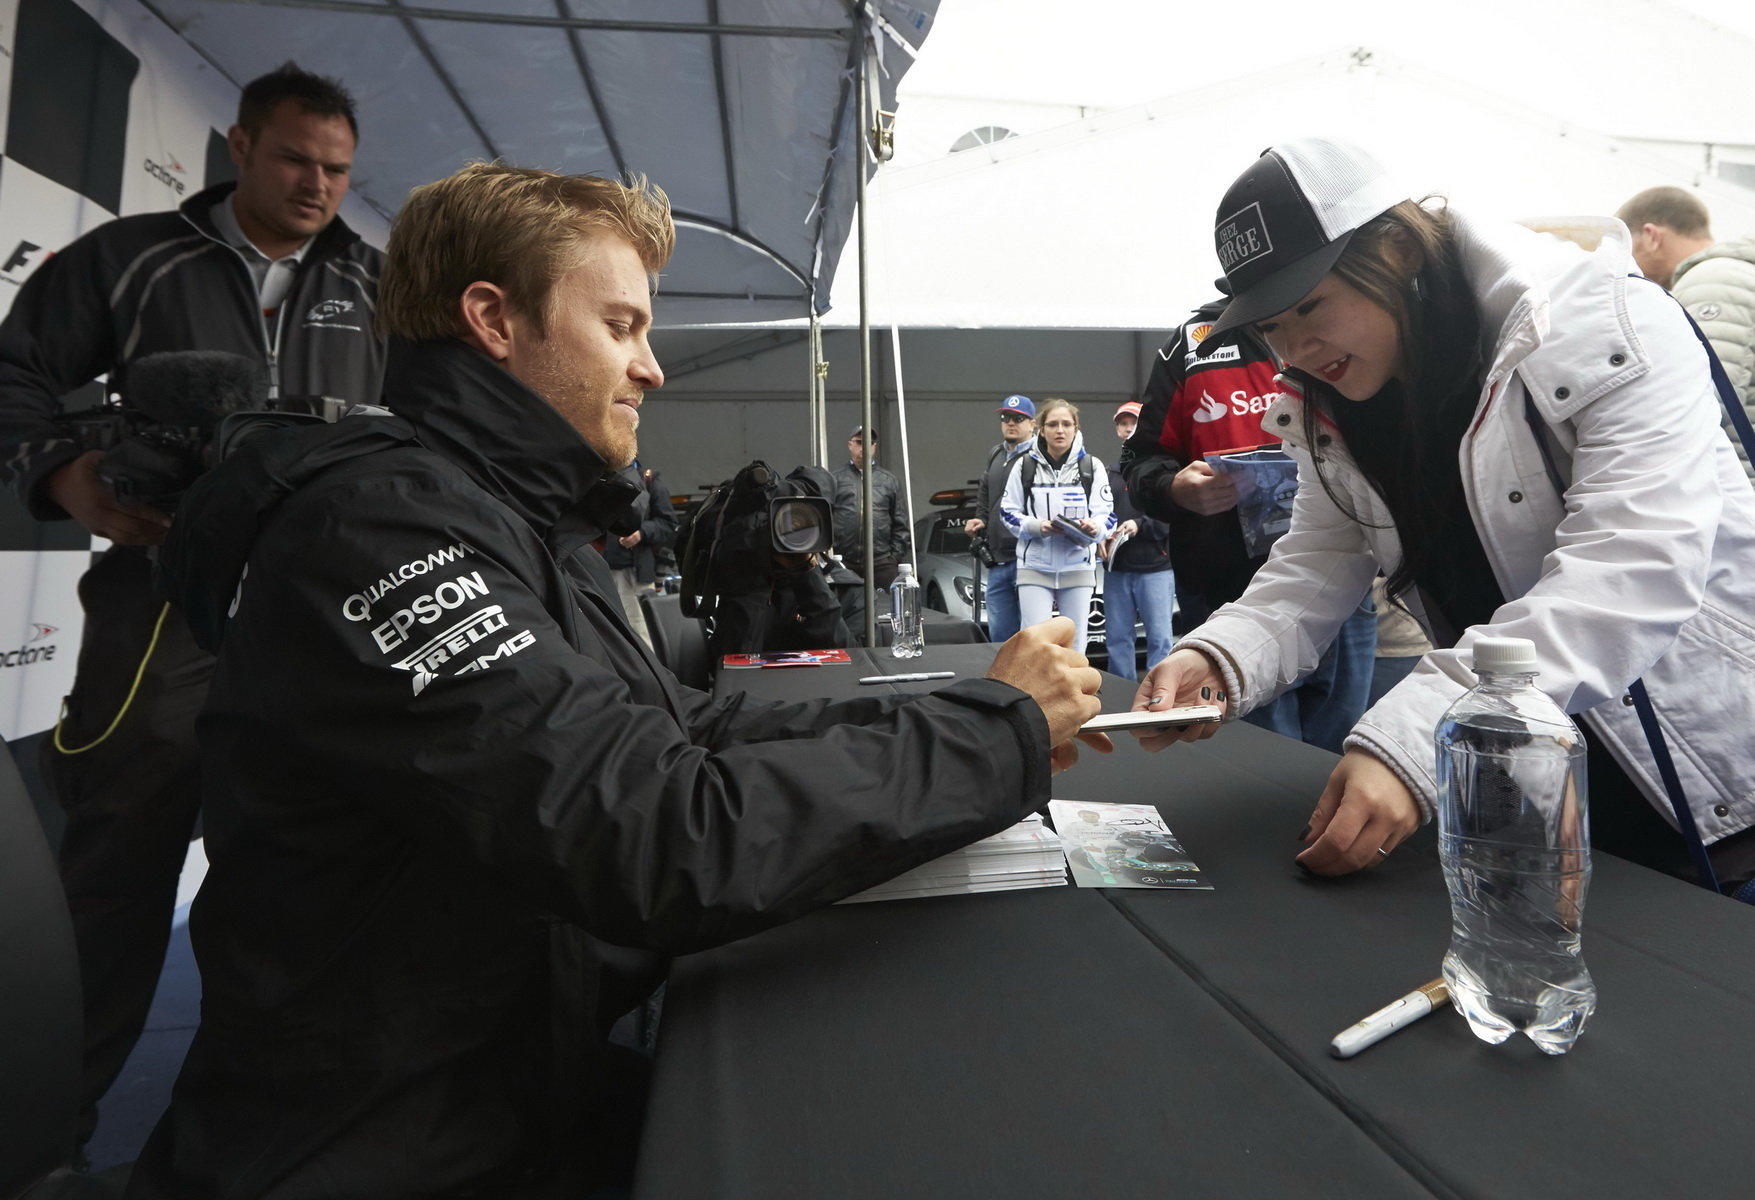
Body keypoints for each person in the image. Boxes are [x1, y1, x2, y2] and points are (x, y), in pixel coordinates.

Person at [130, 163, 1105, 1198]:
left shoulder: (509, 521)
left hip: (518, 1085)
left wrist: (967, 712)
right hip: (383, 1147)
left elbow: (691, 727)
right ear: (493, 320)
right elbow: (659, 830)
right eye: (622, 326)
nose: (652, 371)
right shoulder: (375, 530)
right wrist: (990, 738)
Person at [1135, 137, 1755, 891]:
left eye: (1311, 306)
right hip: (1544, 782)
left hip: (1736, 774)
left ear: (1396, 250)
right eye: (1269, 327)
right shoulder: (1332, 401)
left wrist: (1416, 733)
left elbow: (1629, 569)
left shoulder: (1608, 318)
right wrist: (1220, 656)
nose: (1292, 349)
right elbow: (1317, 562)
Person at [0, 62, 383, 1151]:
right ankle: (40, 1135)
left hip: (325, 617)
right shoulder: (126, 260)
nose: (318, 186)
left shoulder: (380, 282)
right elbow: (14, 376)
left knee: (312, 874)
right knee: (116, 871)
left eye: (339, 171)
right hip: (161, 607)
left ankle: (291, 1135)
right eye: (296, 160)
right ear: (237, 146)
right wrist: (65, 474)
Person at [1119, 297, 1377, 753]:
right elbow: (1139, 462)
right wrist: (1174, 488)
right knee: (1266, 756)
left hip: (1346, 584)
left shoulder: (1347, 327)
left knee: (1341, 749)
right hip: (1228, 591)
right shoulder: (1193, 344)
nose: (1295, 341)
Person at [1617, 186, 1755, 485]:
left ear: (1652, 236)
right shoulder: (1727, 277)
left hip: (1720, 490)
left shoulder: (1713, 280)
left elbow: (1702, 397)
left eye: (1627, 251)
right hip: (1739, 486)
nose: (1626, 266)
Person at [1000, 398, 1115, 655]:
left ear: (1076, 428)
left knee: (1074, 643)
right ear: (1041, 429)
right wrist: (1036, 526)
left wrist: (1093, 527)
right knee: (1035, 642)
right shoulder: (1024, 466)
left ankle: (1074, 693)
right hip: (1035, 566)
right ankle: (1034, 693)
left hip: (1077, 564)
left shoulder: (1091, 467)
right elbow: (1007, 512)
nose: (1059, 430)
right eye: (1052, 424)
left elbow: (1107, 515)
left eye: (1066, 424)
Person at [1101, 400, 1174, 679]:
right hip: (1116, 569)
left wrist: (1139, 525)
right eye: (1123, 423)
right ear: (1118, 430)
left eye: (1134, 423)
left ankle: (1159, 694)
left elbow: (1171, 516)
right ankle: (1122, 694)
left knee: (1160, 639)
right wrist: (1101, 533)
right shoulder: (1108, 474)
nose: (1128, 428)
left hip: (1155, 567)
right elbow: (1097, 513)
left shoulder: (1163, 468)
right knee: (1118, 640)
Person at [963, 394, 1038, 640]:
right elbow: (985, 491)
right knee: (1000, 637)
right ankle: (1005, 679)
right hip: (997, 560)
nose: (1011, 422)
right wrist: (981, 518)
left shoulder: (1040, 456)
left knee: (1031, 635)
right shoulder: (996, 453)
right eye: (1006, 417)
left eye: (1019, 418)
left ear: (1032, 423)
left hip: (1028, 559)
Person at [598, 459, 677, 643]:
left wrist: (641, 533)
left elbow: (668, 523)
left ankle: (650, 671)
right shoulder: (600, 479)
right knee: (615, 632)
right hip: (603, 570)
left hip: (635, 572)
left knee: (641, 631)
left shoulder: (649, 482)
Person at [830, 425, 912, 591]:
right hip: (844, 562)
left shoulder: (889, 481)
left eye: (869, 442)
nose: (864, 446)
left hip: (881, 563)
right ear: (850, 445)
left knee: (887, 613)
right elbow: (825, 519)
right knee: (844, 613)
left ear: (874, 446)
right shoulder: (834, 480)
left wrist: (893, 557)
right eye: (859, 442)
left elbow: (901, 522)